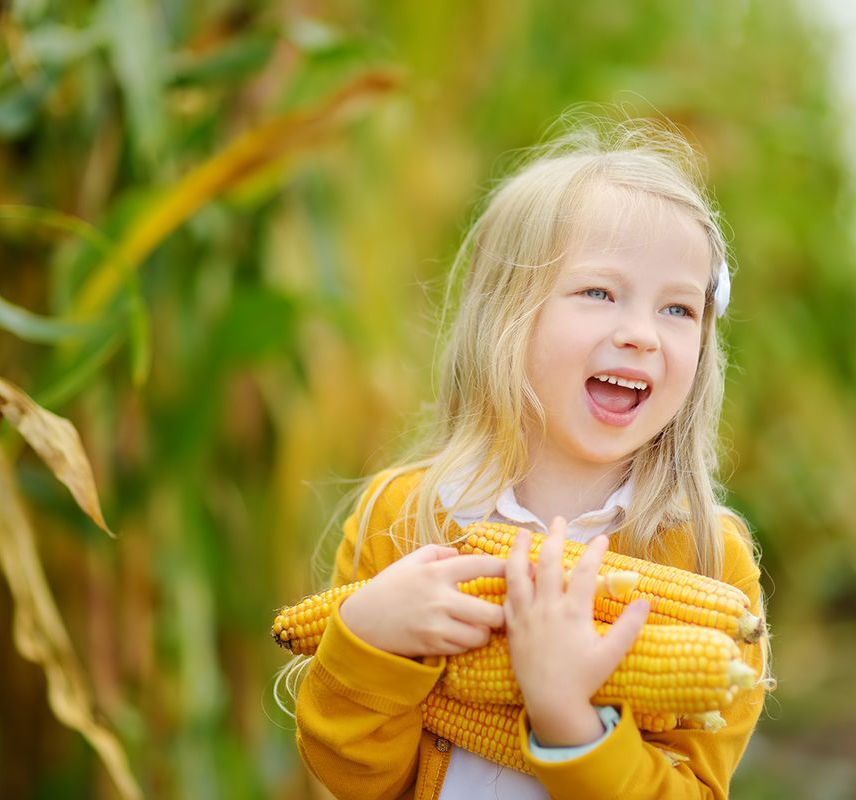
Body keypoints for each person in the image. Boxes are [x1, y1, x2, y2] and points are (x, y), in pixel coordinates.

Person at [285, 116, 770, 799]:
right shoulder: (404, 516)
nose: (640, 335)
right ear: (506, 314)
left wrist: (569, 716)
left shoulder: (710, 560)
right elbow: (355, 779)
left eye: (679, 310)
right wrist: (364, 641)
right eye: (599, 293)